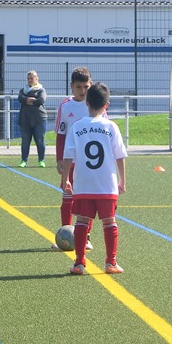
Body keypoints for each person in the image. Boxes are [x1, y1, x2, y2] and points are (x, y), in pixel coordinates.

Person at [61, 82, 127, 275]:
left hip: (83, 184)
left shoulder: (77, 126)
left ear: (87, 102)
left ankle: (79, 263)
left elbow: (68, 156)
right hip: (106, 184)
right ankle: (111, 262)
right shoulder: (111, 126)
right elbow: (120, 156)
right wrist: (122, 180)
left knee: (81, 222)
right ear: (107, 105)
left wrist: (65, 179)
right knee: (109, 222)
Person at [54, 67, 96, 250]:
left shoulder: (95, 105)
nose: (83, 91)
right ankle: (66, 233)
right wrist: (59, 160)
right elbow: (61, 135)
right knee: (67, 197)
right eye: (79, 87)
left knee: (87, 200)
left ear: (91, 85)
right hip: (70, 161)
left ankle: (86, 237)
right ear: (72, 86)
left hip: (90, 162)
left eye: (86, 87)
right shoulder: (65, 106)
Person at [17, 70, 47, 168]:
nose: (30, 80)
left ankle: (41, 160)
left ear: (36, 78)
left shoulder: (41, 90)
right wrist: (30, 100)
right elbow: (20, 98)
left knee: (40, 141)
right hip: (25, 120)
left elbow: (41, 100)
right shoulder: (23, 90)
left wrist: (28, 101)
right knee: (25, 142)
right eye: (28, 78)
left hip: (39, 120)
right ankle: (24, 161)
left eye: (32, 78)